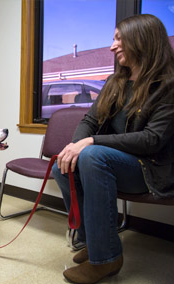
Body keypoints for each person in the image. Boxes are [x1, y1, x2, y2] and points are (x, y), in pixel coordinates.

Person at [52, 14, 174, 284]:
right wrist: (74, 147)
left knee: (93, 156)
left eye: (119, 39)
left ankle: (105, 259)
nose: (111, 46)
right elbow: (89, 121)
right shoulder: (114, 82)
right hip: (113, 160)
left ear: (141, 41)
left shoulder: (168, 86)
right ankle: (91, 242)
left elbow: (152, 139)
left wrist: (92, 142)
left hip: (149, 169)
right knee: (63, 165)